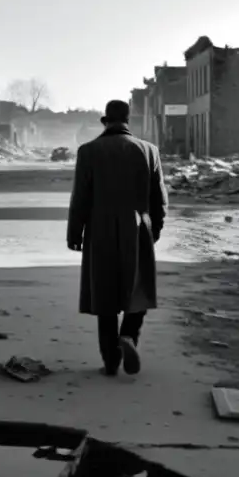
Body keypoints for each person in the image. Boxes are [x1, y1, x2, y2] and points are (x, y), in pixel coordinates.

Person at [67, 99, 168, 376]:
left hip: (100, 229)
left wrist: (75, 233)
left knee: (105, 294)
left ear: (105, 121)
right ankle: (129, 336)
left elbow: (81, 198)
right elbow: (159, 198)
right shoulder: (149, 150)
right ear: (128, 120)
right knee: (139, 289)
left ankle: (110, 361)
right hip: (138, 227)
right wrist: (154, 229)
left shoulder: (88, 151)